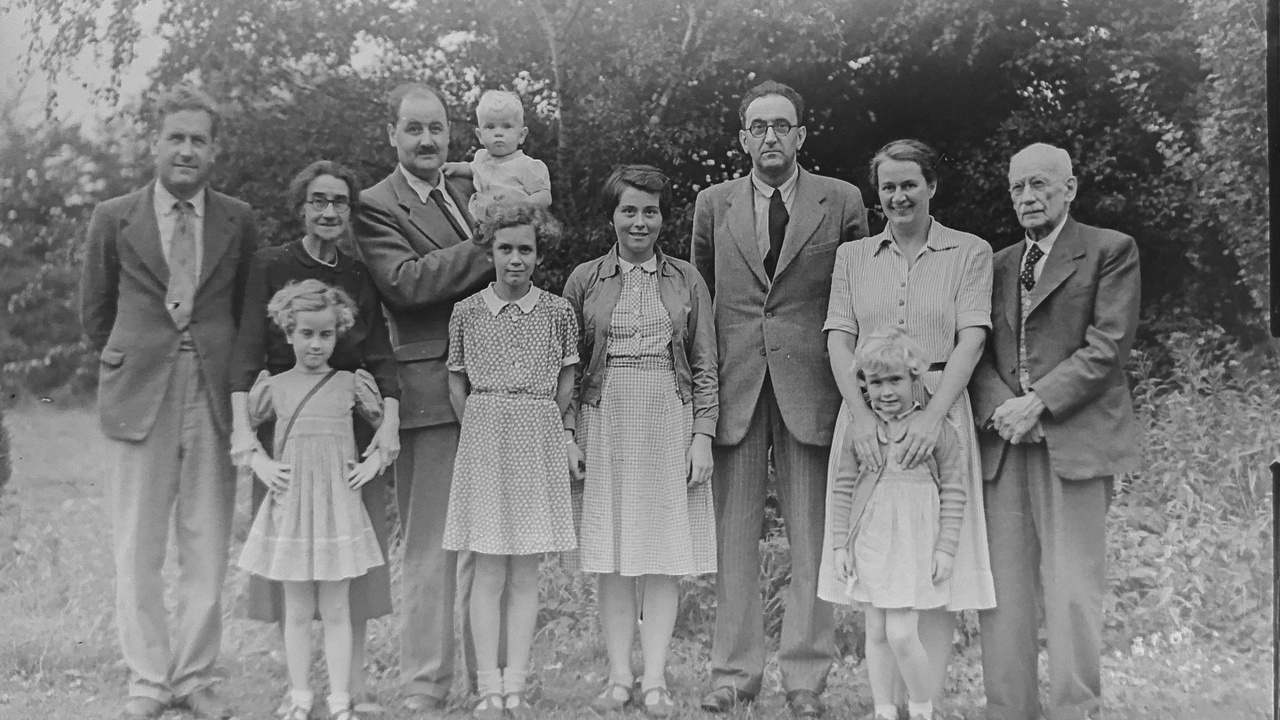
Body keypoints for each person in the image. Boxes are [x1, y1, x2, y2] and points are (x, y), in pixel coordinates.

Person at [689, 80, 869, 719]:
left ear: (801, 135)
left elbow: (858, 293)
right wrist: (701, 395)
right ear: (744, 138)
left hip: (812, 387)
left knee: (813, 538)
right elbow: (700, 298)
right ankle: (733, 674)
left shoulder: (840, 200)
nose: (771, 136)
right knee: (733, 539)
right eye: (759, 126)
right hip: (735, 387)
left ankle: (805, 677)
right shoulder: (713, 204)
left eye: (782, 126)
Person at [79, 84, 258, 720]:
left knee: (207, 541)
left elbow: (245, 312)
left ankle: (195, 676)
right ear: (154, 144)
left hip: (211, 389)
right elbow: (96, 312)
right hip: (140, 390)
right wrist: (139, 357)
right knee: (138, 543)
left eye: (198, 140)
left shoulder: (238, 219)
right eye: (175, 137)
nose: (186, 150)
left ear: (214, 151)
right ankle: (148, 680)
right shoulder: (113, 216)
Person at [816, 139, 997, 717]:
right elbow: (838, 339)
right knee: (876, 568)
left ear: (931, 186)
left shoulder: (968, 251)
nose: (899, 196)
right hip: (868, 413)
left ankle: (924, 703)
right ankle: (884, 706)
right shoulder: (853, 257)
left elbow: (972, 338)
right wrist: (862, 417)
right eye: (888, 186)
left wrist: (932, 414)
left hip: (941, 410)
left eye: (909, 184)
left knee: (932, 567)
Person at [971, 143, 1140, 720]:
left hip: (1074, 441)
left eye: (1039, 184)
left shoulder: (1110, 250)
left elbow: (1108, 347)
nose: (1028, 197)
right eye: (1017, 187)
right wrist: (1003, 407)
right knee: (1003, 589)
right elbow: (973, 347)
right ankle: (1008, 709)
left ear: (1070, 188)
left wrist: (1038, 403)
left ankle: (1076, 709)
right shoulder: (995, 264)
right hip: (1004, 445)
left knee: (1072, 588)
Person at [229, 160, 399, 716]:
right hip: (287, 440)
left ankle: (347, 694)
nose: (329, 211)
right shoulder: (271, 264)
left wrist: (386, 432)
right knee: (295, 587)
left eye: (340, 202)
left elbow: (379, 356)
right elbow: (246, 352)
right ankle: (300, 695)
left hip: (343, 438)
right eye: (318, 201)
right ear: (301, 207)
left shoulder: (358, 274)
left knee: (345, 582)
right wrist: (248, 445)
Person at [352, 82, 495, 714]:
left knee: (489, 539)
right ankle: (424, 682)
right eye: (413, 128)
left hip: (495, 385)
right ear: (392, 134)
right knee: (430, 542)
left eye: (436, 127)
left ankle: (491, 679)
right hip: (429, 389)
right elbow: (406, 284)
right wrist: (494, 244)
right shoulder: (374, 206)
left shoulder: (470, 187)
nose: (427, 140)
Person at [562, 165, 718, 717]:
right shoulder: (585, 279)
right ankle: (619, 676)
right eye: (628, 210)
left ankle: (655, 680)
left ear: (662, 218)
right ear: (612, 216)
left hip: (668, 418)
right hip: (604, 418)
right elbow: (569, 367)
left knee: (661, 554)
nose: (639, 222)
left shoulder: (686, 279)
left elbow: (704, 363)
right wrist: (568, 434)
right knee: (611, 554)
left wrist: (702, 436)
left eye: (650, 211)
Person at [442, 204, 579, 719]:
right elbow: (456, 383)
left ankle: (516, 684)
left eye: (526, 249)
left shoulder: (558, 312)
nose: (515, 259)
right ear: (490, 253)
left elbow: (567, 380)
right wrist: (482, 425)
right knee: (487, 571)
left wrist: (540, 421)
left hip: (536, 438)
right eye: (505, 249)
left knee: (524, 572)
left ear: (539, 254)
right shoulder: (467, 311)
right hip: (485, 439)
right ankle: (488, 687)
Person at [237, 280, 387, 720]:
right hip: (293, 507)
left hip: (337, 507)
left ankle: (340, 701)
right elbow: (242, 431)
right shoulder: (275, 386)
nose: (316, 344)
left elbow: (387, 429)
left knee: (337, 608)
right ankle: (300, 697)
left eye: (325, 334)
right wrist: (260, 463)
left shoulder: (350, 384)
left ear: (338, 334)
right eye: (306, 334)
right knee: (298, 610)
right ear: (288, 333)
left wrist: (373, 462)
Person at [828, 329, 967, 720]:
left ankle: (922, 708)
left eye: (895, 380)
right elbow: (843, 488)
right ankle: (884, 710)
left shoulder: (935, 429)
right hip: (872, 540)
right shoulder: (861, 432)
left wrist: (946, 548)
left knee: (902, 634)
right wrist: (840, 545)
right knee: (875, 631)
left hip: (914, 542)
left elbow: (954, 490)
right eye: (876, 383)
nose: (886, 391)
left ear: (914, 378)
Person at [443, 89, 552, 221]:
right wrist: (453, 167)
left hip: (516, 224)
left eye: (507, 126)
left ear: (521, 135)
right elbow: (471, 168)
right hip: (483, 224)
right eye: (490, 126)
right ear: (480, 136)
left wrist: (523, 204)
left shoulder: (527, 166)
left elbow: (545, 197)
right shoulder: (482, 158)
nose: (498, 133)